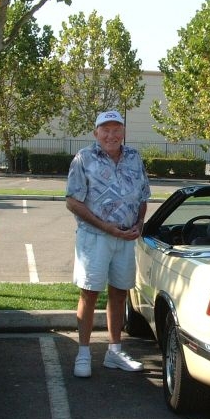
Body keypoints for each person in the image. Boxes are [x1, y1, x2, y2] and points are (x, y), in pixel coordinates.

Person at [65, 110, 151, 378]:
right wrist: (106, 227)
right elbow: (72, 201)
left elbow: (143, 196)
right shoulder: (83, 158)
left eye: (116, 130)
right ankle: (83, 353)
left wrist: (139, 223)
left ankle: (114, 352)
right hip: (95, 239)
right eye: (105, 130)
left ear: (123, 132)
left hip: (125, 239)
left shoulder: (134, 158)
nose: (111, 135)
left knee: (120, 293)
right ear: (96, 133)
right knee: (89, 293)